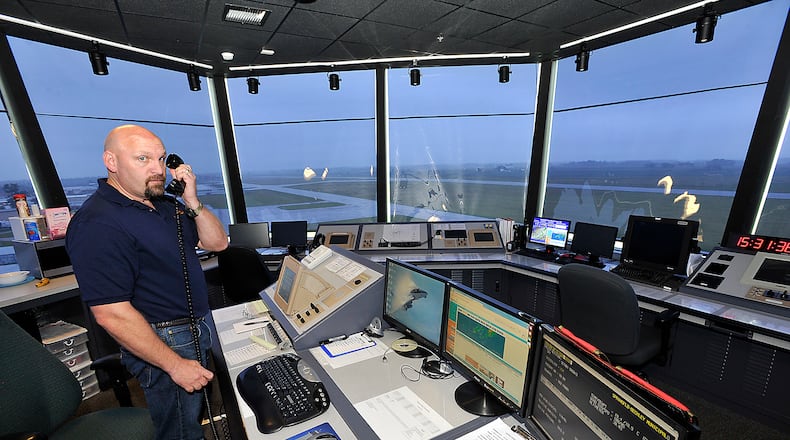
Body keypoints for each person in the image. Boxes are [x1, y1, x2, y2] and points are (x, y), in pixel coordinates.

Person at [66, 125, 228, 440]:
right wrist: (175, 365)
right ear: (111, 162)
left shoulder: (165, 204)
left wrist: (192, 200)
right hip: (163, 340)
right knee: (180, 429)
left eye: (160, 158)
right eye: (143, 159)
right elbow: (111, 313)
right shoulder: (97, 223)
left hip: (195, 326)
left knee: (190, 416)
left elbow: (218, 243)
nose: (157, 170)